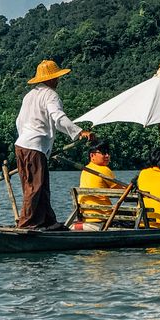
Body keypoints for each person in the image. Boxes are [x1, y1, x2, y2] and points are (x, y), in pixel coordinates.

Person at [14, 59, 94, 229]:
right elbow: (58, 118)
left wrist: (30, 141)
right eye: (56, 78)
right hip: (34, 146)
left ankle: (48, 221)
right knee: (34, 188)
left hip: (22, 145)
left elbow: (19, 122)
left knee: (41, 186)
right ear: (50, 79)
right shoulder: (50, 95)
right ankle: (26, 225)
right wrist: (80, 132)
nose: (58, 81)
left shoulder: (29, 96)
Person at [74, 140, 116, 231]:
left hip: (85, 216)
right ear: (92, 155)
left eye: (108, 152)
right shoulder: (104, 170)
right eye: (103, 153)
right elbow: (124, 192)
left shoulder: (85, 170)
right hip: (103, 217)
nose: (107, 156)